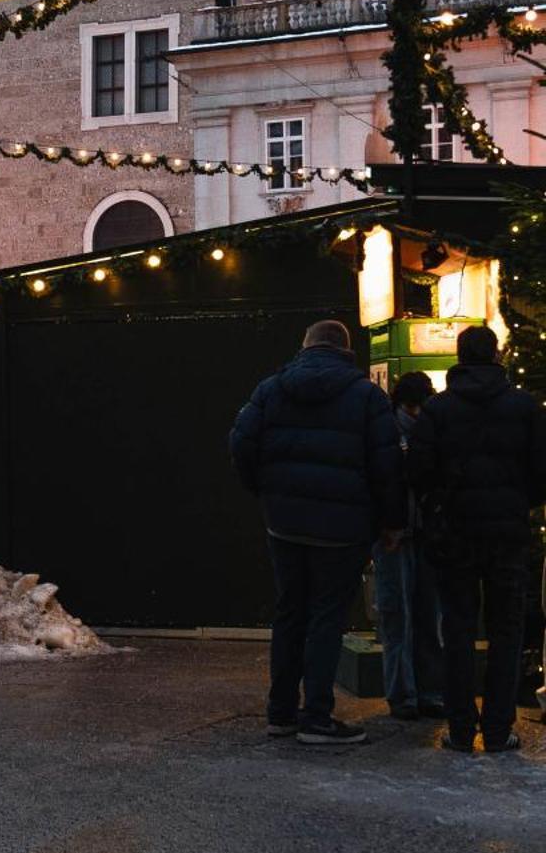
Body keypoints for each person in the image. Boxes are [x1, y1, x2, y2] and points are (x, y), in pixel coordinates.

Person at [230, 319, 404, 746]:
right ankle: (317, 717)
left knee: (290, 611)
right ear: (345, 350)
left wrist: (266, 491)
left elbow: (240, 443)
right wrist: (391, 522)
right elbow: (387, 466)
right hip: (343, 529)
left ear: (305, 347)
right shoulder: (366, 395)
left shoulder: (271, 389)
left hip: (284, 523)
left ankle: (281, 712)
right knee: (327, 617)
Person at [407, 327, 546, 754]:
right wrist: (519, 501)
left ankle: (462, 729)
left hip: (456, 533)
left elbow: (418, 472)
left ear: (460, 356)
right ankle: (500, 729)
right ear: (498, 355)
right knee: (507, 631)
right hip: (507, 533)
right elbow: (542, 474)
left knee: (459, 629)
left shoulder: (437, 409)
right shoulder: (525, 407)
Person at [372, 372, 443, 723]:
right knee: (424, 615)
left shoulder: (385, 430)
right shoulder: (432, 431)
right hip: (412, 533)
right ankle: (421, 692)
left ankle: (406, 694)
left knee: (399, 614)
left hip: (395, 535)